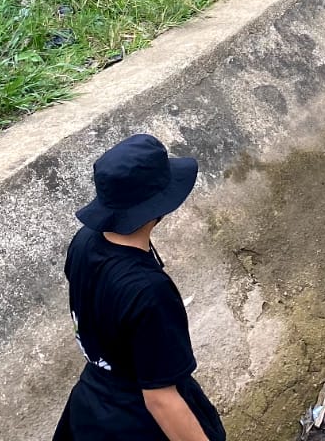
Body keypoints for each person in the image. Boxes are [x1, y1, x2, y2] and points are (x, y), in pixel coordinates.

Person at [54, 134, 224, 441]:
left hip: (91, 409)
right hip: (138, 422)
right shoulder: (149, 292)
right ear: (157, 206)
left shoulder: (84, 243)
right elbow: (160, 399)